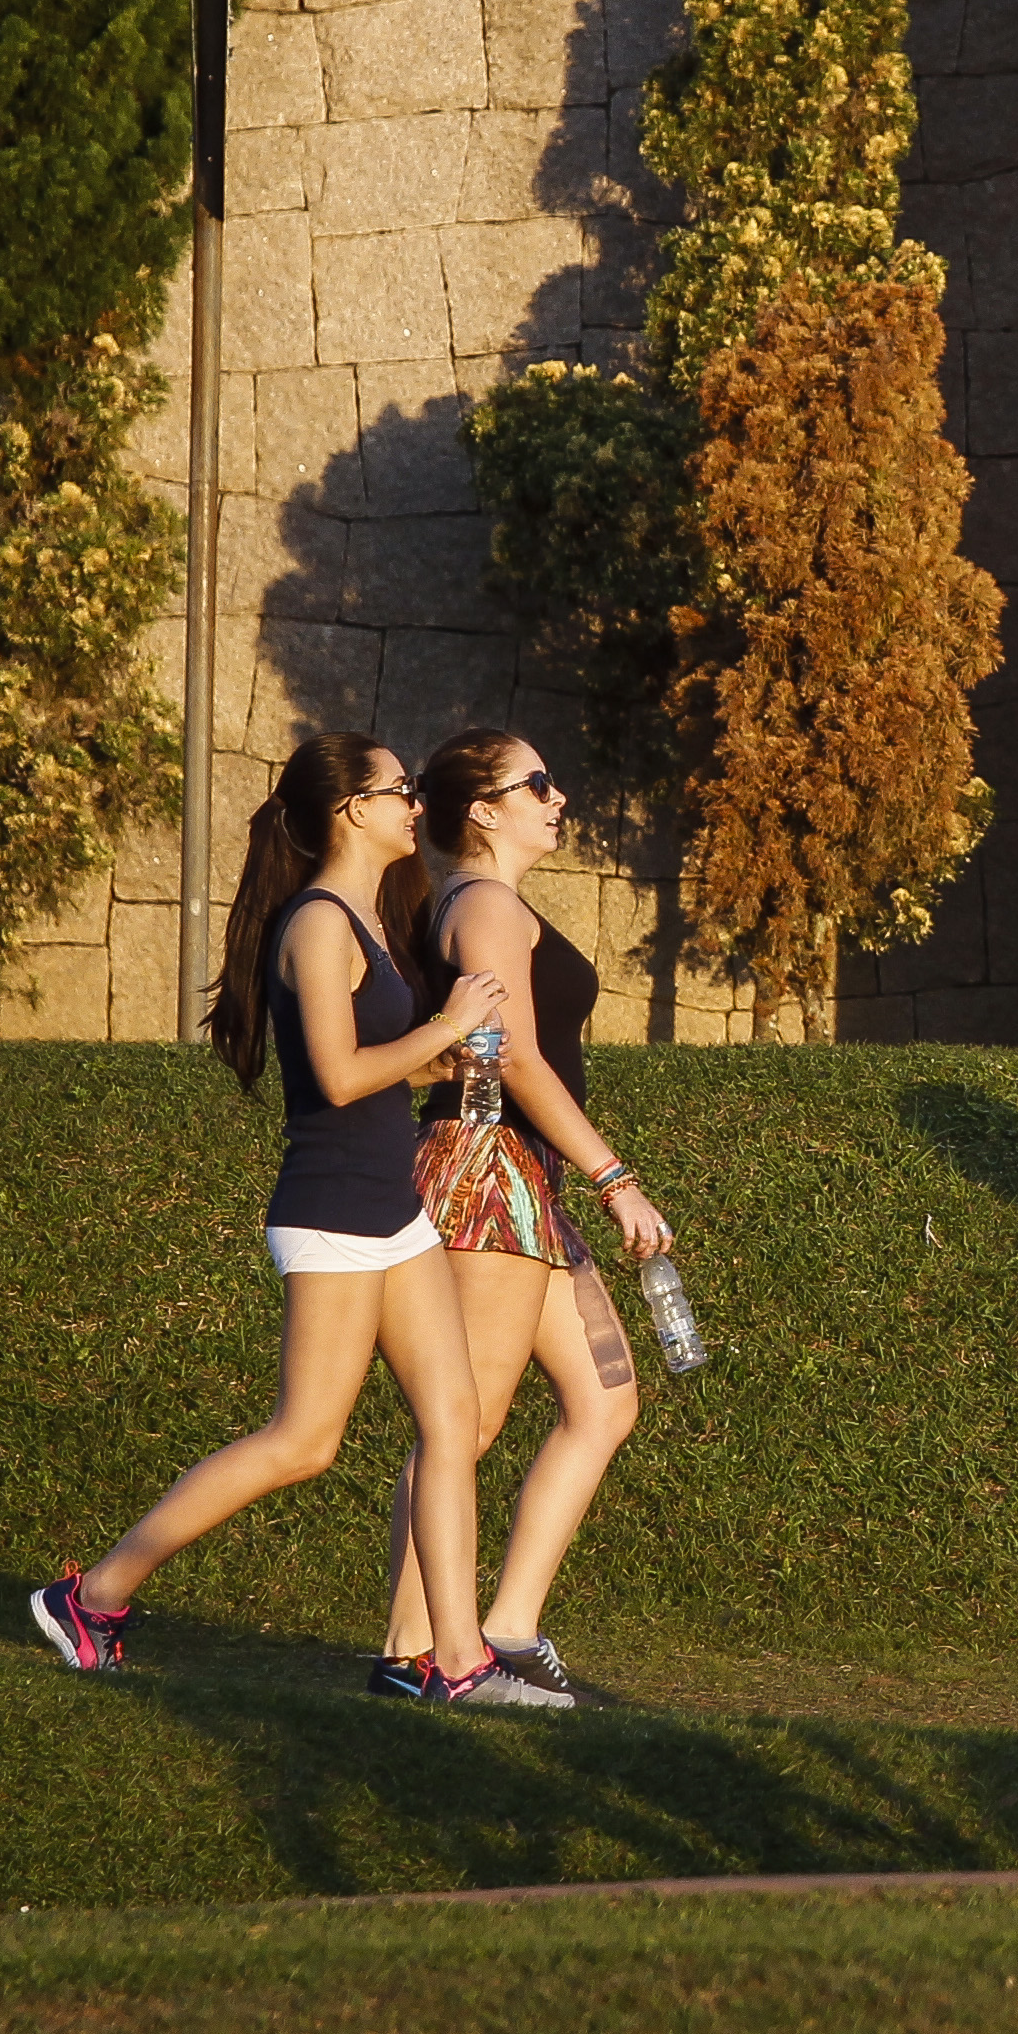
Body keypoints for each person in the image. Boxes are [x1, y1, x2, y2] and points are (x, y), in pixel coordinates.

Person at [24, 733, 559, 1709]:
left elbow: (371, 1066)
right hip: (333, 1215)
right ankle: (90, 1595)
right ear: (353, 808)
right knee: (304, 1441)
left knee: (455, 1425)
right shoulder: (318, 924)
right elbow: (339, 1074)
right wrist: (444, 1027)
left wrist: (448, 1063)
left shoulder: (365, 913)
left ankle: (457, 1663)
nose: (415, 803)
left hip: (391, 1205)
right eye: (399, 789)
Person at [371, 728, 673, 1703]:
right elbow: (517, 1058)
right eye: (535, 783)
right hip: (486, 1171)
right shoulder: (486, 902)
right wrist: (613, 1175)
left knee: (605, 1399)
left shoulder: (483, 901)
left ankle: (504, 1628)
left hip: (519, 1177)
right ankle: (410, 1655)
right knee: (467, 1420)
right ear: (482, 810)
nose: (558, 796)